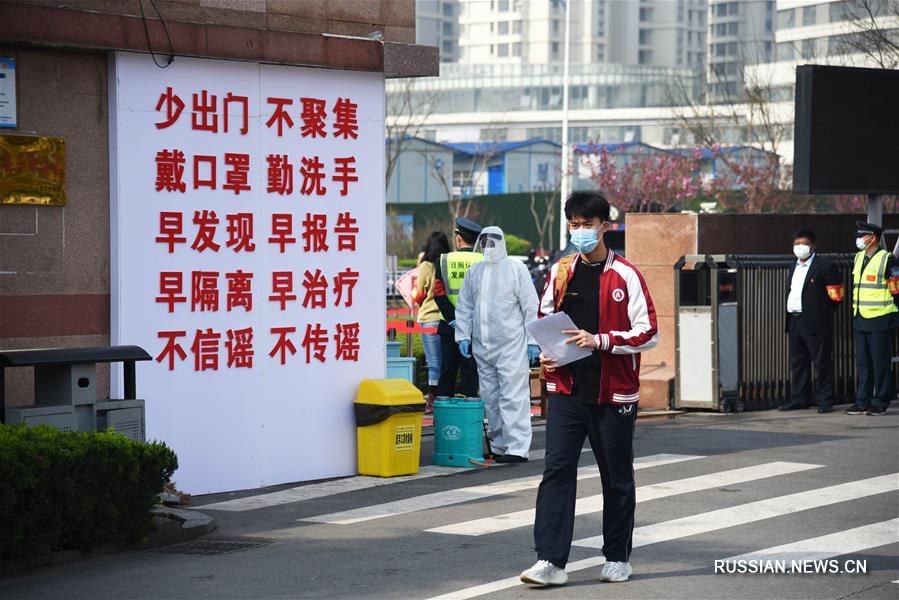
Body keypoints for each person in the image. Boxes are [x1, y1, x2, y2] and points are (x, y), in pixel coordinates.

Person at [520, 191, 658, 587]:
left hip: (612, 392)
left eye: (587, 224)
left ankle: (617, 557)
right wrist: (545, 355)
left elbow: (649, 332)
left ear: (605, 226)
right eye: (574, 225)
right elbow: (545, 318)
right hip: (566, 388)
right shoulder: (562, 271)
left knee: (615, 476)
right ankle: (550, 560)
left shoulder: (626, 275)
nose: (580, 231)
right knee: (556, 472)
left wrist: (600, 340)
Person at [454, 226, 540, 463]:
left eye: (494, 241)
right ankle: (499, 445)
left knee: (513, 396)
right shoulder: (475, 271)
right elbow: (465, 306)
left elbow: (530, 307)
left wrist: (533, 341)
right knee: (491, 398)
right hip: (484, 346)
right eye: (485, 241)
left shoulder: (516, 269)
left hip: (511, 345)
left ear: (502, 242)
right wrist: (463, 336)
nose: (489, 246)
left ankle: (517, 447)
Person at [780, 229, 843, 414]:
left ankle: (825, 399)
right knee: (798, 361)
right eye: (796, 243)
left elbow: (836, 296)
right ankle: (800, 398)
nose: (800, 247)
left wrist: (821, 313)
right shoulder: (793, 267)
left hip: (816, 322)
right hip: (794, 319)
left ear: (813, 245)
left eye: (804, 243)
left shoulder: (824, 265)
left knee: (821, 361)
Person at [845, 221, 899, 416]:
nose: (859, 240)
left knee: (880, 363)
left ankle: (881, 401)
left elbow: (896, 289)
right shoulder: (859, 257)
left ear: (873, 238)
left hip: (881, 318)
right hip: (861, 317)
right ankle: (862, 400)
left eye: (862, 236)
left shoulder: (888, 259)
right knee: (863, 363)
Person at [433, 217, 483, 398]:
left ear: (458, 238)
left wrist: (454, 319)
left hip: (449, 326)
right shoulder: (484, 260)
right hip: (475, 327)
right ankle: (469, 420)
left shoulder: (444, 260)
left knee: (447, 373)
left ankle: (442, 419)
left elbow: (438, 293)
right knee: (471, 373)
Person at [413, 231, 451, 413]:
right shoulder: (447, 264)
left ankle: (433, 400)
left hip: (428, 319)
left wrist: (415, 296)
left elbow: (419, 293)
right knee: (445, 363)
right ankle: (444, 398)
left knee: (434, 362)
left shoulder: (426, 266)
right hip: (446, 319)